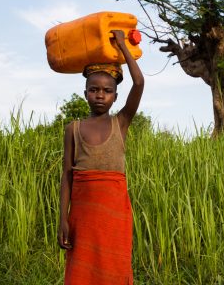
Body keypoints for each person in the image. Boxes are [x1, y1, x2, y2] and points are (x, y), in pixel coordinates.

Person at [58, 30, 144, 284]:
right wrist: (62, 219)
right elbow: (67, 176)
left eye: (106, 91)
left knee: (114, 268)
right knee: (82, 272)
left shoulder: (121, 123)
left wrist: (122, 46)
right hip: (82, 218)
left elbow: (139, 83)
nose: (99, 95)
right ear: (85, 94)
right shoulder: (73, 129)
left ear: (115, 97)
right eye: (93, 89)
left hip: (114, 215)